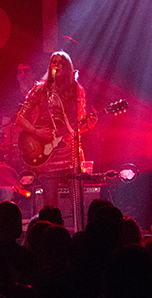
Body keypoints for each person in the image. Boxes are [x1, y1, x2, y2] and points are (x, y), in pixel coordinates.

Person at [15, 51, 97, 223]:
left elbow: (77, 127)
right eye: (53, 62)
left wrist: (89, 124)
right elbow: (20, 119)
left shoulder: (77, 91)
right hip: (47, 153)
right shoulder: (40, 89)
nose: (56, 65)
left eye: (60, 63)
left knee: (78, 205)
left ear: (68, 68)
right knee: (50, 207)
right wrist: (37, 132)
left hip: (71, 153)